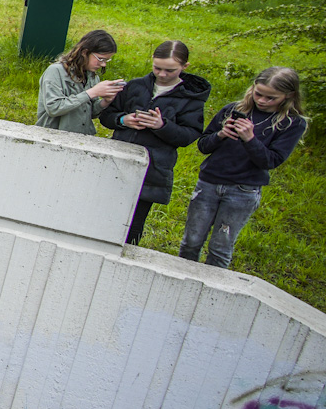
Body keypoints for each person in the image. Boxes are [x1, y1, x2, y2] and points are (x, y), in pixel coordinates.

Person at [180, 67, 307, 268]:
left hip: (243, 190)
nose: (262, 101)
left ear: (288, 96)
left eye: (271, 98)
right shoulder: (233, 109)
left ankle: (213, 291)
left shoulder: (292, 123)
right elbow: (203, 145)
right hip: (209, 182)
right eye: (258, 94)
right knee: (191, 242)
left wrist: (250, 139)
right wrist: (221, 135)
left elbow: (271, 161)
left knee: (220, 248)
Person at [98, 40, 210, 244]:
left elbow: (189, 135)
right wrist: (124, 120)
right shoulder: (135, 86)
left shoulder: (191, 99)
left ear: (185, 67)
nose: (162, 74)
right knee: (103, 217)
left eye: (170, 70)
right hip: (119, 161)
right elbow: (107, 116)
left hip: (153, 170)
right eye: (157, 68)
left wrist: (162, 126)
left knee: (133, 226)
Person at [36, 29, 122, 135]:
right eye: (100, 59)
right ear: (85, 52)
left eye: (106, 61)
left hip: (82, 138)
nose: (103, 65)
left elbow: (91, 113)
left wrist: (106, 101)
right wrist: (92, 92)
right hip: (52, 137)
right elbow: (54, 108)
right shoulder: (55, 71)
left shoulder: (93, 77)